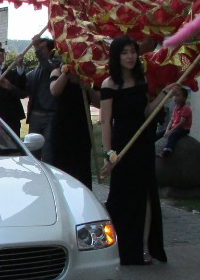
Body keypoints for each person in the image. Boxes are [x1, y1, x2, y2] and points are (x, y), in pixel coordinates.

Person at [98, 36, 174, 265]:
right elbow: (105, 121)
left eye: (133, 51)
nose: (130, 57)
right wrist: (109, 154)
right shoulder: (108, 85)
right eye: (125, 53)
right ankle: (116, 247)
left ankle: (142, 247)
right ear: (116, 57)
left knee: (146, 195)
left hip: (142, 144)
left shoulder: (142, 81)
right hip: (122, 146)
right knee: (119, 197)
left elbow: (146, 112)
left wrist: (164, 94)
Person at [46, 60, 96, 188]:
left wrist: (88, 88)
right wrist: (66, 73)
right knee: (61, 167)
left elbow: (98, 102)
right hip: (61, 127)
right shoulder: (57, 72)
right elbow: (54, 91)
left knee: (82, 167)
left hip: (81, 126)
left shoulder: (88, 74)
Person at [25, 36, 60, 139]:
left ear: (50, 51)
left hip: (50, 117)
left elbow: (46, 66)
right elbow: (24, 90)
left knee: (47, 151)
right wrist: (19, 68)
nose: (40, 50)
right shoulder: (34, 72)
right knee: (33, 149)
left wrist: (36, 48)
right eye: (38, 48)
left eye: (42, 48)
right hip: (35, 117)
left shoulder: (56, 67)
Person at [159, 87, 191, 158]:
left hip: (183, 129)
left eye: (178, 95)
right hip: (174, 128)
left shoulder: (186, 108)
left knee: (173, 135)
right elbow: (171, 120)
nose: (175, 98)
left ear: (184, 98)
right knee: (160, 133)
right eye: (174, 96)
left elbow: (181, 123)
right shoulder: (175, 108)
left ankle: (167, 150)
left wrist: (170, 131)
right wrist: (167, 130)